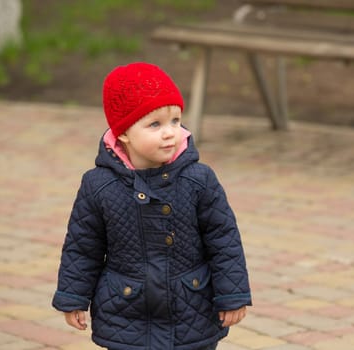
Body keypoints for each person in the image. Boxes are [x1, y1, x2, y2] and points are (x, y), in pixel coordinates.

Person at [52, 62, 252, 350]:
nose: (170, 132)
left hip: (190, 309)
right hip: (127, 311)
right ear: (123, 133)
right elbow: (83, 245)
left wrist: (232, 295)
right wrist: (73, 296)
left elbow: (224, 240)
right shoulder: (98, 186)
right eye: (155, 124)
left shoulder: (198, 179)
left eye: (175, 120)